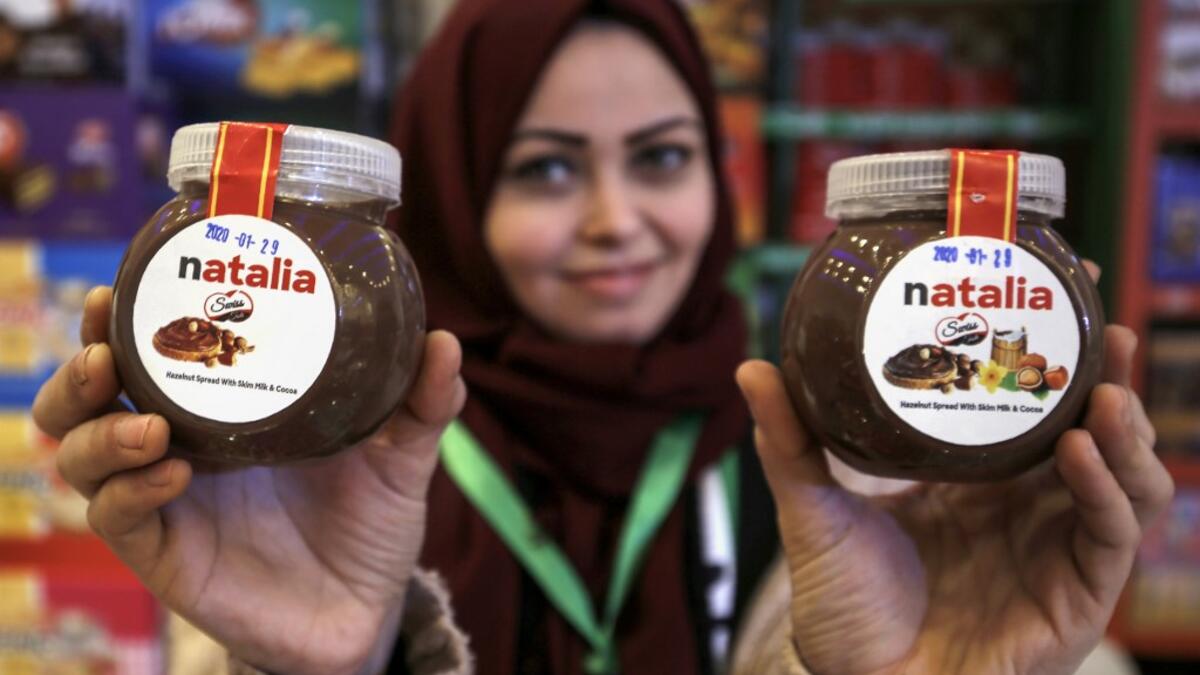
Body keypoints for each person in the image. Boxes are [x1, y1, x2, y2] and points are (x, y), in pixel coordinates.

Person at [32, 1, 1173, 674]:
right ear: (453, 192)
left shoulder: (880, 468)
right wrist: (328, 665)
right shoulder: (312, 468)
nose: (617, 220)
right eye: (545, 168)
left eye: (663, 156)